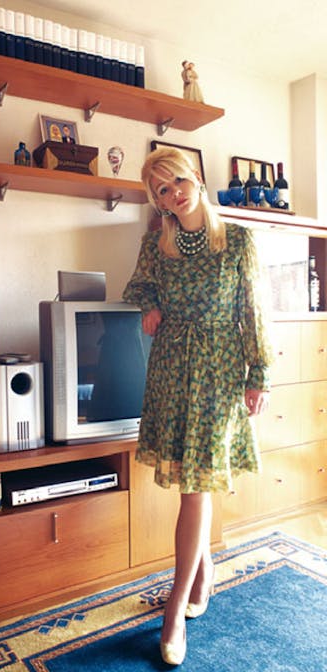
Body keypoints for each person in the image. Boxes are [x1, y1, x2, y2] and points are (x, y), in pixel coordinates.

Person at [122, 147, 273, 666]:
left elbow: (253, 310)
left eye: (178, 181)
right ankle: (203, 574)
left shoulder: (238, 241)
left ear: (197, 179)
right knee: (194, 483)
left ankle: (173, 608)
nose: (174, 194)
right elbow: (139, 285)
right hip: (170, 369)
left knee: (195, 487)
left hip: (219, 370)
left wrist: (260, 372)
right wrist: (150, 306)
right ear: (158, 202)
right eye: (162, 190)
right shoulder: (156, 244)